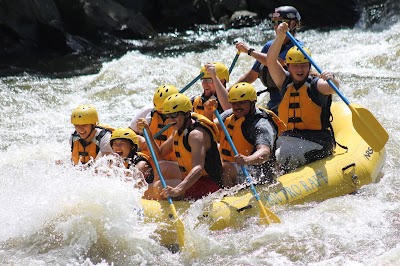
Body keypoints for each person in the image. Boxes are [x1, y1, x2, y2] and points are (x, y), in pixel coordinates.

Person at [265, 22, 339, 172]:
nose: (299, 69)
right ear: (288, 66)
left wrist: (333, 78)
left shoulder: (316, 85)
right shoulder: (284, 82)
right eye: (295, 65)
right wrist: (280, 37)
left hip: (316, 141)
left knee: (287, 154)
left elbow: (333, 88)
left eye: (304, 65)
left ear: (309, 66)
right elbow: (270, 60)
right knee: (268, 155)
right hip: (289, 138)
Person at [137, 93, 222, 200]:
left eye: (174, 115)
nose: (170, 120)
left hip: (208, 184)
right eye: (168, 116)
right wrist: (148, 132)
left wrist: (178, 189)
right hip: (191, 181)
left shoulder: (196, 135)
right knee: (162, 170)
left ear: (187, 114)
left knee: (158, 188)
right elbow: (159, 154)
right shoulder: (178, 131)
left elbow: (198, 169)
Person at [234, 6, 303, 114]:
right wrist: (230, 91)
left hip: (291, 105)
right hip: (273, 105)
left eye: (280, 22)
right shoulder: (268, 46)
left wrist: (249, 51)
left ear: (292, 24)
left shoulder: (297, 48)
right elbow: (251, 76)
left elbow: (273, 62)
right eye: (274, 23)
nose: (276, 27)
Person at [215, 82, 285, 187]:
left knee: (226, 168)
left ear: (252, 103)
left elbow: (264, 152)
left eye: (242, 103)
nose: (237, 106)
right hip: (236, 164)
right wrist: (207, 112)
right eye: (234, 103)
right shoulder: (230, 114)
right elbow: (210, 128)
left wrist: (247, 160)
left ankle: (229, 195)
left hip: (259, 171)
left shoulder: (261, 124)